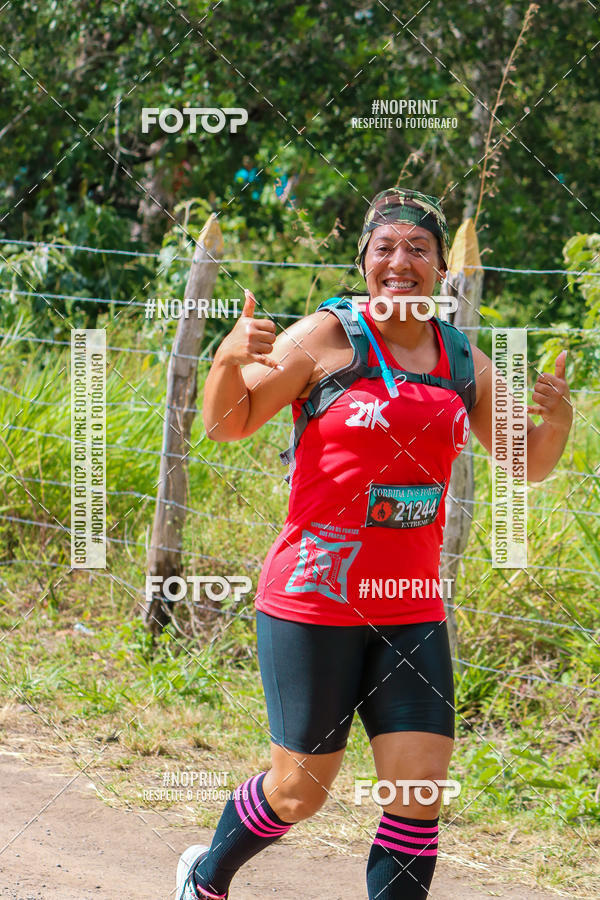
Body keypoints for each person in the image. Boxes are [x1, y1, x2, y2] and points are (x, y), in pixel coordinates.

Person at [176, 188, 573, 899]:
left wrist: (558, 420)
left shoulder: (459, 358)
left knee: (419, 791)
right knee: (299, 794)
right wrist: (227, 361)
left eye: (418, 248)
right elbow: (227, 424)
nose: (401, 262)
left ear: (442, 267)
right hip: (313, 600)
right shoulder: (324, 337)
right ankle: (203, 879)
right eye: (385, 247)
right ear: (364, 261)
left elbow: (529, 461)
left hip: (411, 608)